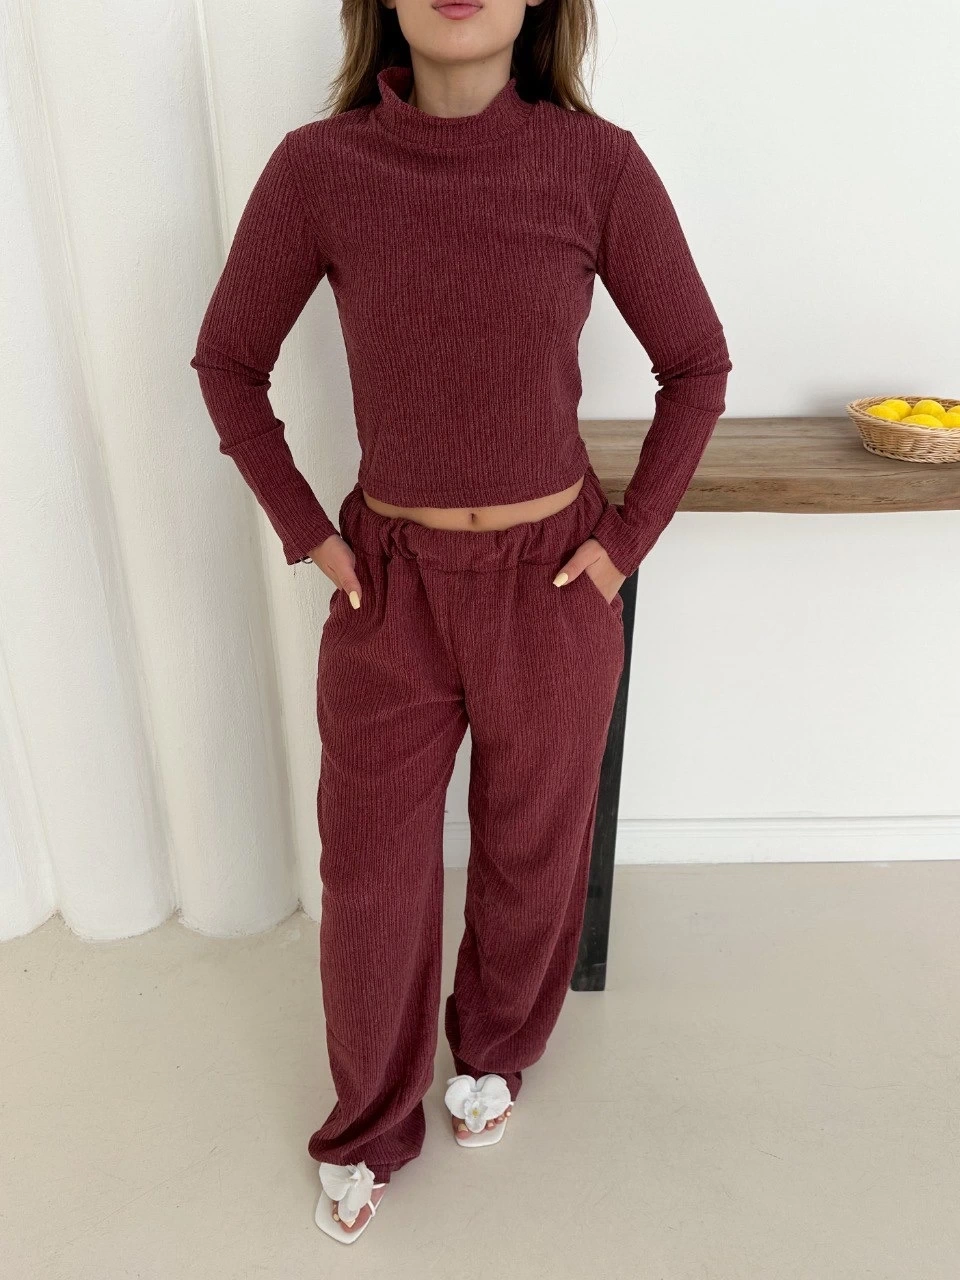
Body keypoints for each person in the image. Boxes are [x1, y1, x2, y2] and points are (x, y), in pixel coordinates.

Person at [189, 0, 731, 1244]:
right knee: (372, 873)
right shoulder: (321, 169)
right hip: (390, 588)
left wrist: (623, 544)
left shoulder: (596, 164)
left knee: (534, 848)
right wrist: (309, 532)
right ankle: (369, 1122)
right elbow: (228, 359)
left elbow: (696, 363)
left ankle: (492, 1049)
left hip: (554, 584)